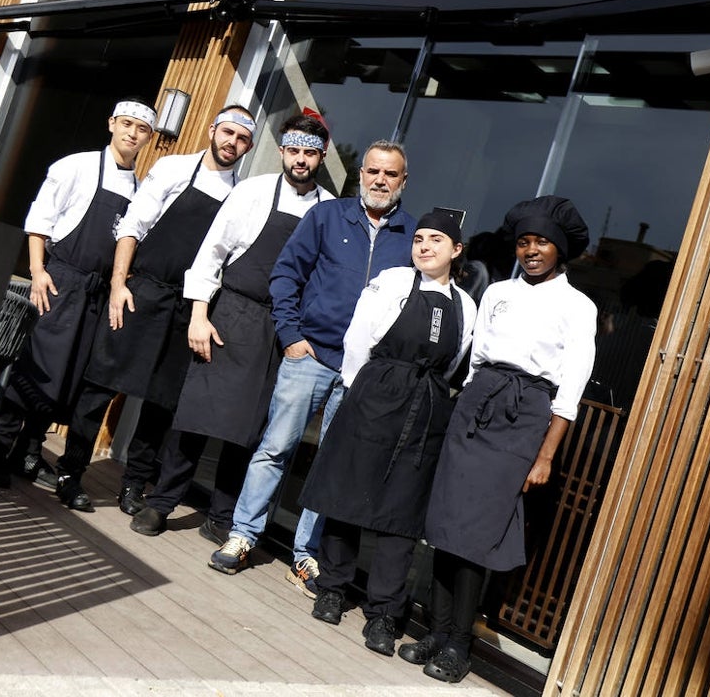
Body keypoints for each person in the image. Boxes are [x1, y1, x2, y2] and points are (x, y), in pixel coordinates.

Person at [400, 195, 596, 683]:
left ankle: (459, 645)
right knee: (445, 526)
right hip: (477, 404)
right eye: (525, 242)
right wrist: (464, 409)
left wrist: (545, 454)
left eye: (542, 243)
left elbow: (569, 390)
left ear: (560, 250)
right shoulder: (498, 292)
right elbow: (478, 362)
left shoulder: (579, 306)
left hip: (526, 413)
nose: (531, 250)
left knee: (476, 535)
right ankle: (436, 630)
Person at [208, 141, 415, 598]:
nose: (380, 180)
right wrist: (291, 336)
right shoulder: (325, 217)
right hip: (312, 355)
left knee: (330, 466)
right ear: (360, 174)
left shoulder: (411, 236)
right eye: (373, 171)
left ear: (404, 182)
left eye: (391, 174)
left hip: (362, 373)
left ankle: (306, 555)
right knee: (276, 447)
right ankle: (243, 534)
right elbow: (286, 274)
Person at [129, 113, 333, 540]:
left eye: (309, 153)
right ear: (281, 151)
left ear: (322, 156)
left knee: (250, 430)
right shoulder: (251, 191)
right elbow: (211, 254)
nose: (300, 160)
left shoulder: (329, 210)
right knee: (196, 415)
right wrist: (200, 315)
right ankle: (162, 502)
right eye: (293, 150)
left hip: (281, 329)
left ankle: (221, 516)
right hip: (232, 313)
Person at [53, 105, 256, 514]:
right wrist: (118, 284)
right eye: (227, 133)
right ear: (212, 130)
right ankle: (70, 472)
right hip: (141, 291)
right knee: (100, 385)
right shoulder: (173, 168)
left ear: (248, 146)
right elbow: (133, 225)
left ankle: (132, 485)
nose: (232, 143)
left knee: (161, 403)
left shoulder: (242, 194)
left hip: (189, 306)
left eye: (242, 139)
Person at [299, 212, 477, 657]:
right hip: (375, 392)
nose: (424, 247)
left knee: (401, 513)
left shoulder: (466, 305)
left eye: (436, 240)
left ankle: (384, 612)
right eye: (418, 239)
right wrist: (366, 391)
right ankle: (334, 588)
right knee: (347, 495)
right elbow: (358, 341)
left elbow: (455, 363)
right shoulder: (392, 281)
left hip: (426, 405)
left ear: (456, 250)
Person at [0, 98, 156, 487]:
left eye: (141, 129)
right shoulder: (74, 165)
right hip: (60, 279)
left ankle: (28, 453)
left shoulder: (139, 188)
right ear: (111, 123)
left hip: (95, 292)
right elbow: (39, 219)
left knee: (67, 376)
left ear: (149, 138)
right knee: (35, 366)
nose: (132, 133)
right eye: (126, 124)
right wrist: (38, 270)